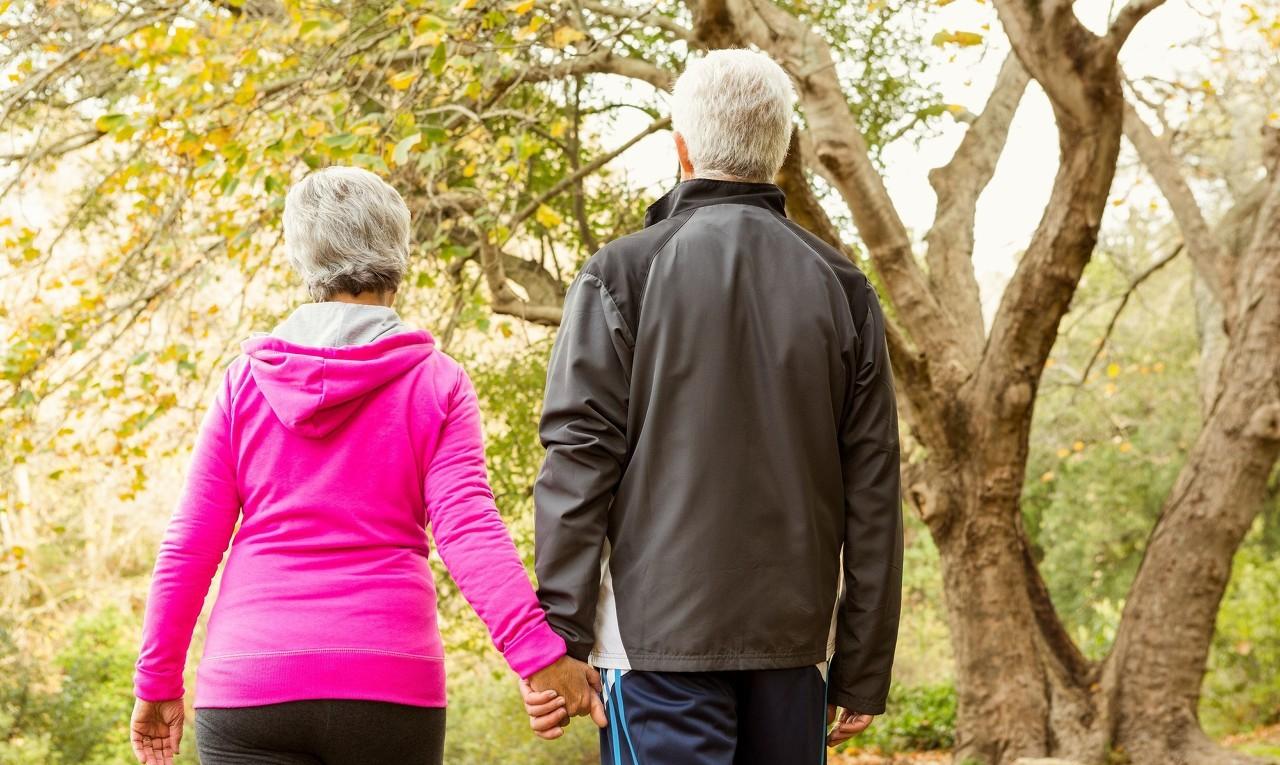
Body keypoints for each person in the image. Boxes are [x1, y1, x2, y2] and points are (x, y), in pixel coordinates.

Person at [129, 166, 603, 765]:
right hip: (390, 683)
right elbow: (466, 530)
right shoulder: (437, 382)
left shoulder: (243, 384)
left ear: (301, 260)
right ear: (398, 257)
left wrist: (158, 681)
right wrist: (536, 653)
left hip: (251, 682)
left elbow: (191, 544)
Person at [522, 49, 904, 763]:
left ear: (681, 148)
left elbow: (579, 460)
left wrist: (559, 639)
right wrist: (863, 662)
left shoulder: (620, 275)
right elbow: (874, 486)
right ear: (782, 148)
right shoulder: (843, 286)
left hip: (653, 648)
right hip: (793, 653)